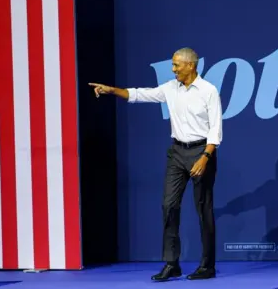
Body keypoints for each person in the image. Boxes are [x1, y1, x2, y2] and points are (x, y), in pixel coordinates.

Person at [89, 47, 223, 281]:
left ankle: (207, 266)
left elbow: (216, 129)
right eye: (172, 65)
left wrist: (205, 157)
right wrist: (112, 91)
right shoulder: (171, 88)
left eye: (176, 65)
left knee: (203, 209)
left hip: (202, 152)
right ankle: (172, 263)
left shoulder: (208, 91)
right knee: (168, 206)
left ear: (191, 65)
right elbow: (141, 94)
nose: (173, 70)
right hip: (177, 152)